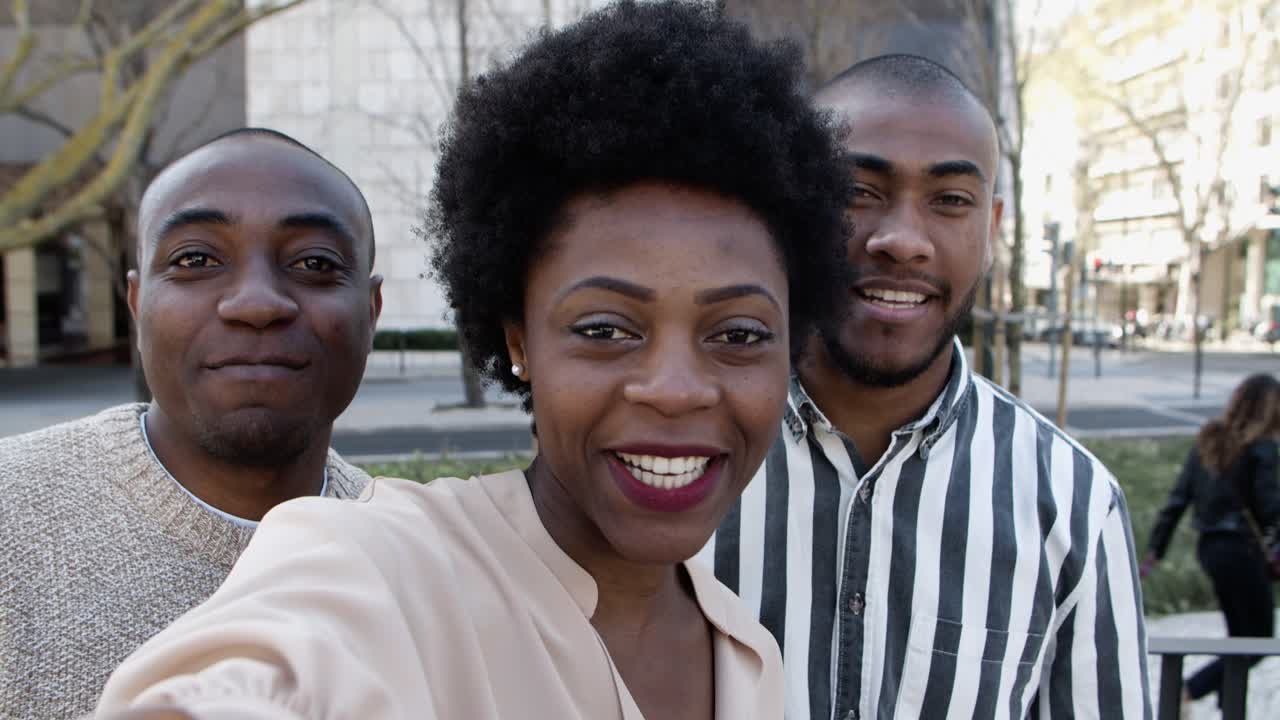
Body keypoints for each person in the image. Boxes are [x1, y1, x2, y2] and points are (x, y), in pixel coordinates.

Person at [93, 2, 853, 718]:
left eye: (740, 335)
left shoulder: (748, 653)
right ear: (519, 339)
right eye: (604, 328)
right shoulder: (386, 564)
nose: (677, 389)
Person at [701, 54, 1152, 719]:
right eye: (857, 190)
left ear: (993, 231)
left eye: (950, 201)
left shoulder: (1073, 504)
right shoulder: (679, 453)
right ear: (792, 205)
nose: (903, 240)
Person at [0, 128, 380, 719]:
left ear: (372, 312)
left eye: (313, 262)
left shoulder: (414, 563)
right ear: (135, 305)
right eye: (196, 260)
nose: (256, 303)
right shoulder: (10, 512)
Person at [1143, 373, 1280, 704]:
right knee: (1258, 641)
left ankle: (1225, 705)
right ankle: (1184, 693)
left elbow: (1177, 501)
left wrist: (1154, 554)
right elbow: (1271, 509)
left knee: (1240, 640)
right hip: (1243, 551)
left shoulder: (1209, 440)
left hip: (1211, 550)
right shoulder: (1262, 449)